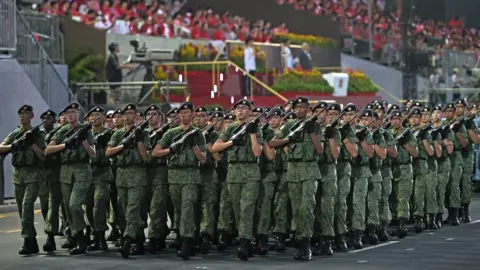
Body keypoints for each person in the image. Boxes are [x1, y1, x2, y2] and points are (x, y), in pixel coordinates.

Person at [269, 97, 323, 261]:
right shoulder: (289, 126)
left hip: (309, 169)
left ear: (308, 109)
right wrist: (290, 138)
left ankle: (306, 243)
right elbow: (272, 143)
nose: (299, 109)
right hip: (293, 170)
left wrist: (311, 131)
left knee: (307, 207)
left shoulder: (316, 126)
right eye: (297, 107)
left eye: (303, 107)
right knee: (297, 209)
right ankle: (300, 240)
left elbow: (320, 150)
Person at [153, 102, 206, 260]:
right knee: (179, 209)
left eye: (186, 113)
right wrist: (171, 150)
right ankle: (186, 237)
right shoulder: (171, 133)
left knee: (188, 206)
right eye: (181, 113)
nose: (183, 116)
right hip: (174, 175)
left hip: (191, 174)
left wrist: (195, 146)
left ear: (192, 114)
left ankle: (187, 241)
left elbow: (203, 159)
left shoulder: (198, 134)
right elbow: (155, 152)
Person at [212, 99, 263, 261]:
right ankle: (246, 237)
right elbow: (215, 148)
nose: (240, 111)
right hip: (233, 172)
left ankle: (245, 241)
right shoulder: (231, 129)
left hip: (250, 171)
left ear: (250, 111)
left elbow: (257, 153)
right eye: (237, 108)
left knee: (247, 207)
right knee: (237, 208)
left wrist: (253, 133)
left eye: (244, 108)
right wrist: (232, 142)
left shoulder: (256, 129)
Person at [45, 102, 96, 255]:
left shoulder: (86, 130)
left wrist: (83, 141)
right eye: (68, 113)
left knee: (75, 204)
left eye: (73, 112)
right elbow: (48, 150)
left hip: (82, 169)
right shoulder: (62, 131)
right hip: (66, 171)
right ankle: (76, 234)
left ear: (78, 114)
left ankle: (80, 238)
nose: (71, 115)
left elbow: (93, 153)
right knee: (67, 207)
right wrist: (65, 145)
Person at [106, 103, 151, 259]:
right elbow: (108, 152)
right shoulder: (118, 134)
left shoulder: (144, 134)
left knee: (133, 208)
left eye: (131, 113)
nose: (127, 116)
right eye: (125, 113)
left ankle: (127, 240)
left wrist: (137, 141)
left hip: (137, 173)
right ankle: (138, 238)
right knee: (125, 208)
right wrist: (123, 145)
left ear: (136, 115)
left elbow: (146, 157)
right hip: (122, 174)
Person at [0, 105, 46, 255]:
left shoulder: (38, 134)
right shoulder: (15, 133)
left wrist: (32, 143)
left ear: (32, 116)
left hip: (33, 175)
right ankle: (31, 241)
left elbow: (44, 157)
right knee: (22, 210)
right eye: (20, 113)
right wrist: (14, 145)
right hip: (18, 175)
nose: (23, 116)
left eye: (26, 113)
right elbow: (1, 147)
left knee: (27, 207)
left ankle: (28, 239)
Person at [84, 106, 114, 251]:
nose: (95, 117)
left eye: (98, 115)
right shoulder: (84, 134)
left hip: (103, 173)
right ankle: (95, 234)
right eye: (92, 115)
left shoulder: (110, 133)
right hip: (88, 173)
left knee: (99, 204)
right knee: (88, 207)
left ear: (103, 117)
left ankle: (101, 236)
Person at [143, 104, 170, 254]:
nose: (151, 117)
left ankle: (154, 238)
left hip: (161, 170)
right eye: (149, 114)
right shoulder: (142, 133)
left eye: (154, 114)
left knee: (156, 206)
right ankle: (161, 231)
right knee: (147, 205)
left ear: (160, 117)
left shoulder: (167, 133)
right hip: (145, 172)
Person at [314, 103, 341, 255]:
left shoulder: (334, 131)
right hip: (313, 169)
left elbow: (336, 154)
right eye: (316, 112)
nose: (321, 115)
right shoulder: (311, 129)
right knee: (314, 206)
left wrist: (330, 136)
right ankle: (316, 236)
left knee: (328, 206)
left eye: (323, 112)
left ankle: (327, 239)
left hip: (328, 170)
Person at [334, 104, 359, 251]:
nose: (348, 117)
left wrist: (343, 137)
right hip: (327, 169)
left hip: (343, 168)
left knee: (342, 203)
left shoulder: (347, 131)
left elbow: (354, 152)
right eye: (346, 115)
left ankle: (342, 234)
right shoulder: (328, 129)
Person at [390, 110, 418, 238]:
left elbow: (415, 153)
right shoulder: (388, 133)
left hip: (405, 168)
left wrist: (404, 143)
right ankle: (396, 221)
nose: (395, 121)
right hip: (391, 169)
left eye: (397, 118)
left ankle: (402, 224)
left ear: (402, 119)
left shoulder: (407, 133)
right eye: (393, 119)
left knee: (403, 198)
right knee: (394, 198)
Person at [39, 109, 63, 252]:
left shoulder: (58, 134)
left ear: (54, 121)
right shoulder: (38, 134)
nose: (45, 120)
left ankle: (50, 236)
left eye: (48, 118)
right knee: (44, 206)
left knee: (53, 205)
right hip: (42, 173)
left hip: (55, 172)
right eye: (44, 118)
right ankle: (50, 234)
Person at [455, 100, 479, 223]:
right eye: (457, 107)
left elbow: (476, 140)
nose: (459, 110)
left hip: (467, 155)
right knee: (454, 184)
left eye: (461, 107)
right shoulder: (453, 122)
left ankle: (465, 211)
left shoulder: (470, 122)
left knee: (465, 182)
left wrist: (468, 126)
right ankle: (455, 211)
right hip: (454, 155)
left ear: (465, 109)